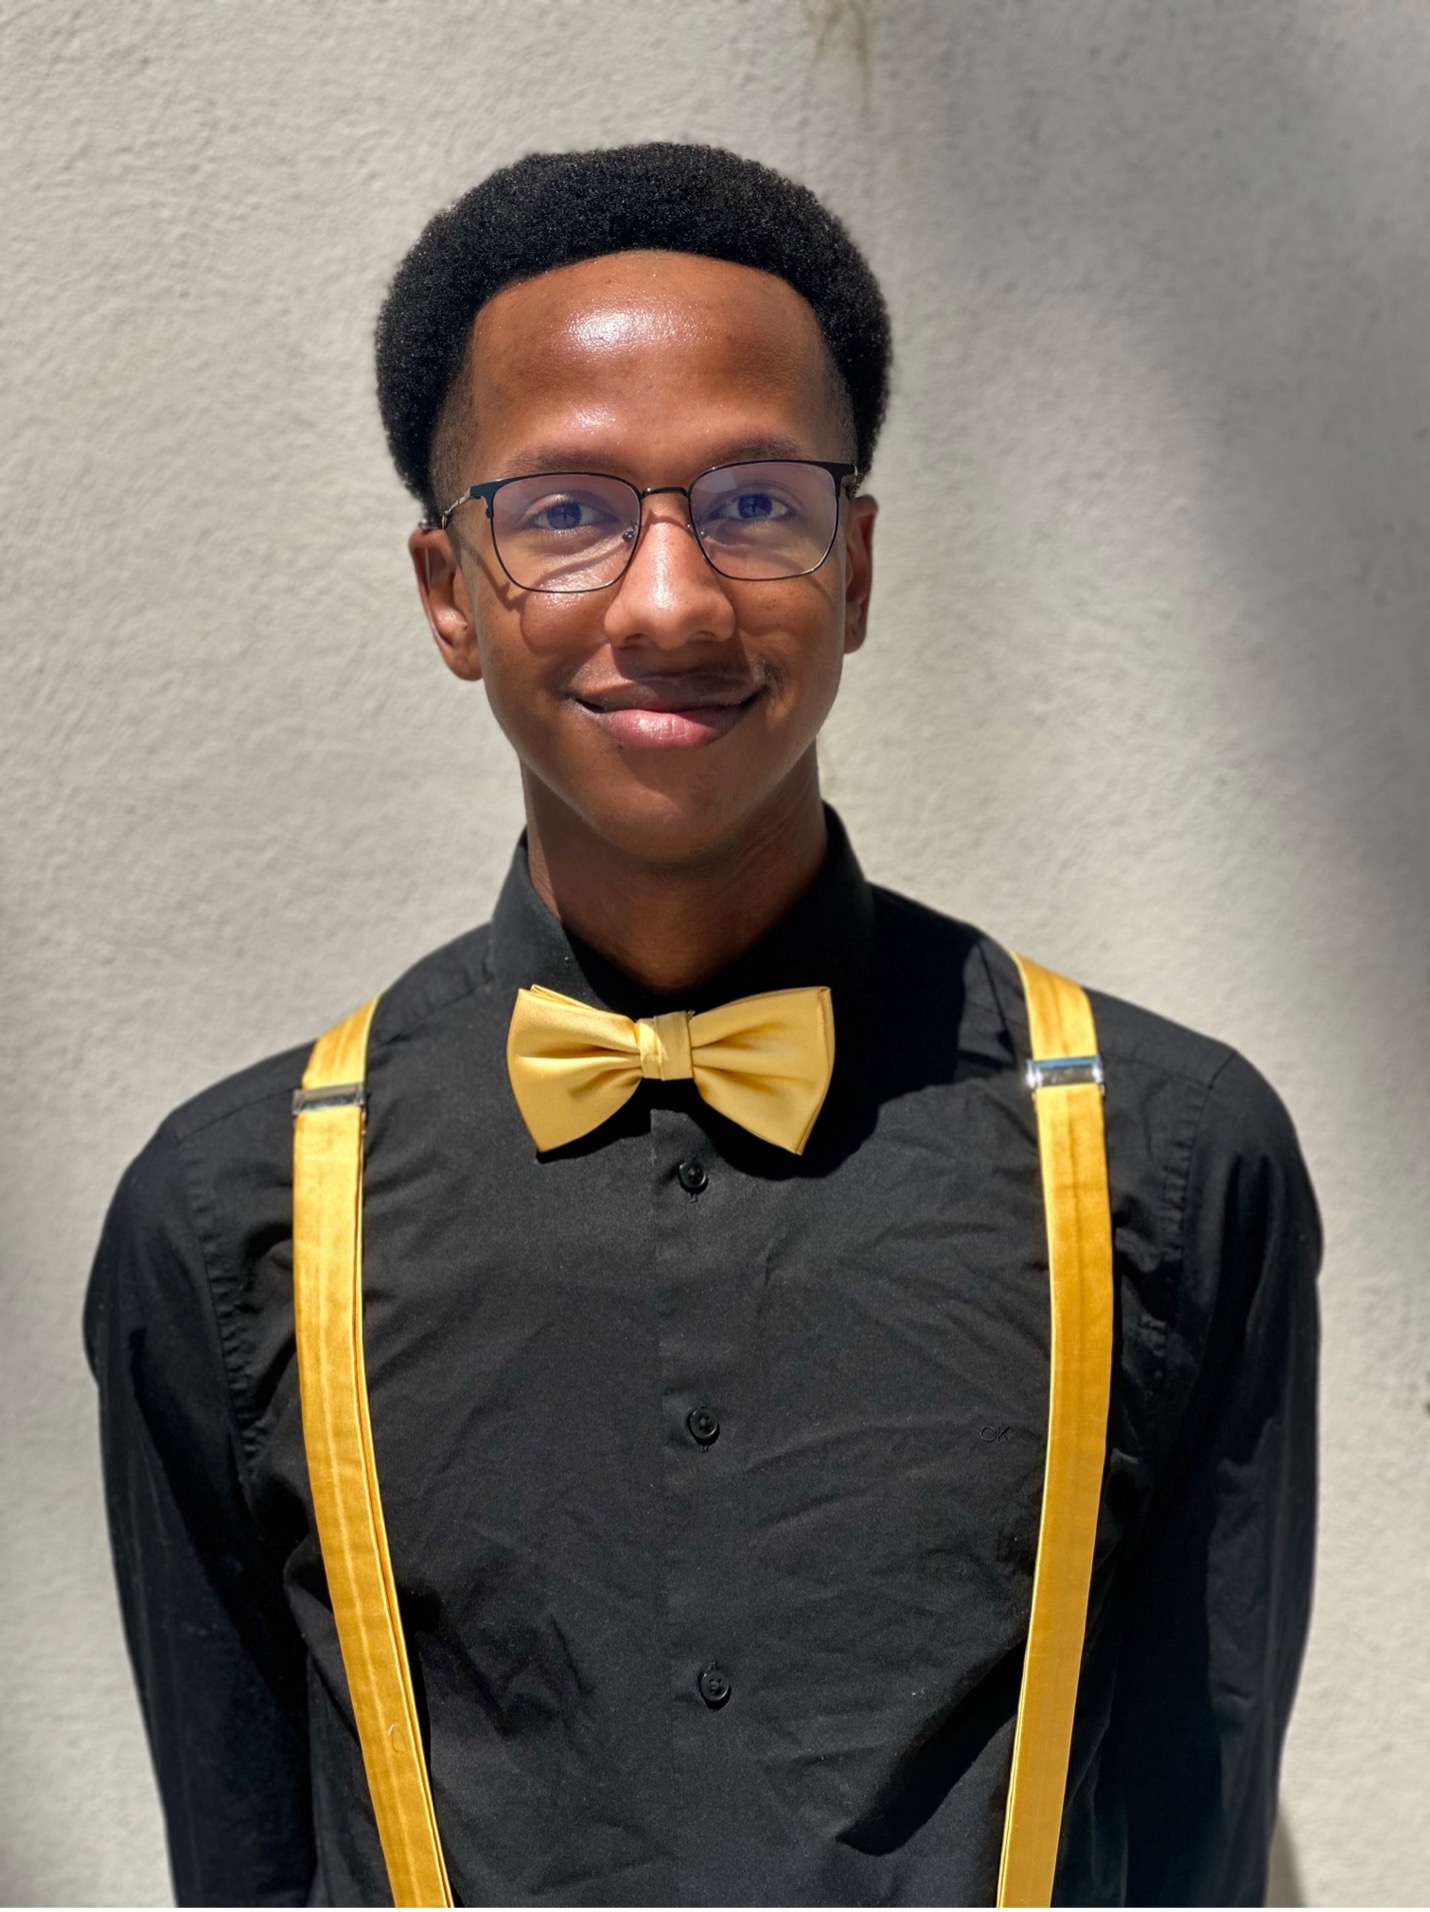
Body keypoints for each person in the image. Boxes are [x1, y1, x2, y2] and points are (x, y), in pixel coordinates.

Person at [84, 142, 1320, 1908]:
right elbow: (244, 1864)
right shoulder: (227, 1220)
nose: (669, 602)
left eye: (751, 501)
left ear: (858, 564)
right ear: (450, 591)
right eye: (567, 512)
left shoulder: (1173, 1163)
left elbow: (1191, 1847)